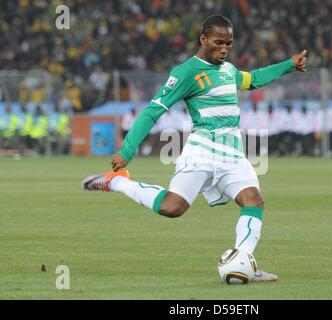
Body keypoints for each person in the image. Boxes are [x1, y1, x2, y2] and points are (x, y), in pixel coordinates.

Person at [82, 15, 307, 282]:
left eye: (229, 43)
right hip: (202, 151)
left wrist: (289, 65)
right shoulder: (186, 73)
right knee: (173, 207)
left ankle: (243, 261)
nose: (224, 48)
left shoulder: (228, 70)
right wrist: (127, 151)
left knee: (253, 200)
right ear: (203, 40)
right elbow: (153, 111)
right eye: (218, 42)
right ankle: (116, 183)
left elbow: (253, 79)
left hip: (233, 154)